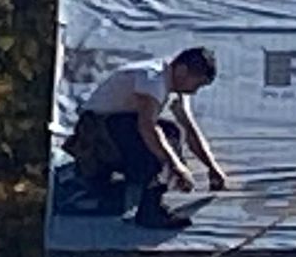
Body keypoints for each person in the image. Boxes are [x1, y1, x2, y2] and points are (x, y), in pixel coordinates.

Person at [67, 47, 227, 230]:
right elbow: (147, 127)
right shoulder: (153, 78)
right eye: (197, 84)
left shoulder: (174, 84)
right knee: (160, 139)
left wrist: (212, 168)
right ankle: (150, 211)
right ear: (182, 70)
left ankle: (139, 185)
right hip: (94, 136)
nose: (195, 91)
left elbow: (189, 130)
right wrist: (175, 166)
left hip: (116, 133)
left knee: (172, 133)